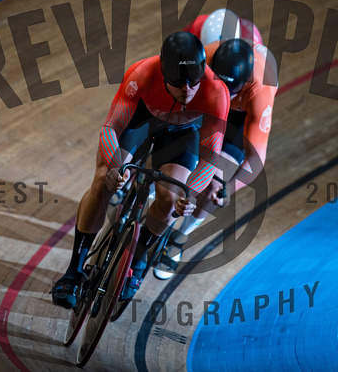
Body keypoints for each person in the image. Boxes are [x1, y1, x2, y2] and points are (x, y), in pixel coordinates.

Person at [51, 32, 230, 308]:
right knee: (104, 179)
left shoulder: (217, 92)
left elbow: (210, 157)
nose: (187, 90)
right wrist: (115, 166)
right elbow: (112, 127)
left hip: (182, 133)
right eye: (177, 83)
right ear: (163, 73)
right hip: (141, 120)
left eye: (193, 81)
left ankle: (137, 261)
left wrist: (190, 194)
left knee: (172, 197)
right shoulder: (142, 73)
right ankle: (74, 270)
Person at [154, 10, 278, 280]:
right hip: (206, 98)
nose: (225, 95)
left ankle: (179, 237)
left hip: (237, 116)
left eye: (231, 91)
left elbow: (256, 156)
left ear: (245, 85)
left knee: (215, 183)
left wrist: (228, 187)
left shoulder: (262, 87)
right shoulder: (204, 56)